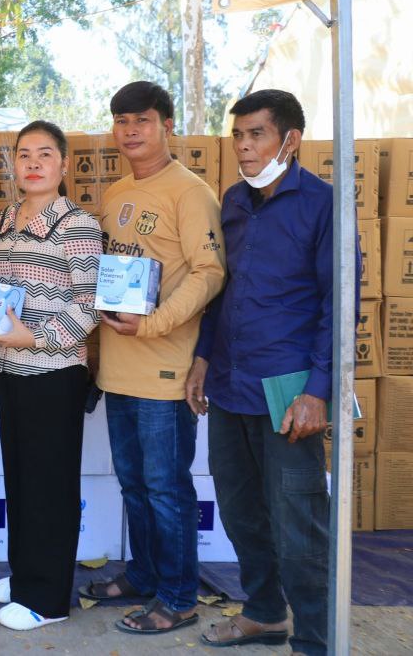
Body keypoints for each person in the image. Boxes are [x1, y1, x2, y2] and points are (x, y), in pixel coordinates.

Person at [188, 90, 349, 656]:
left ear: (291, 140)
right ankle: (264, 613)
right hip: (231, 384)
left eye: (256, 134)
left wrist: (318, 392)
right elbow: (222, 289)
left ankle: (315, 639)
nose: (243, 146)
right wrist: (203, 357)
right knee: (240, 511)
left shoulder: (324, 205)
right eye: (238, 135)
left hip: (289, 390)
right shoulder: (234, 201)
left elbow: (338, 306)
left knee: (298, 521)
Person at [80, 81, 225, 635]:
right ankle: (143, 576)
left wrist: (156, 323)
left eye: (141, 120)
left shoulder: (190, 193)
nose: (130, 131)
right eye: (121, 121)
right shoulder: (116, 192)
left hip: (166, 371)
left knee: (167, 490)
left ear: (167, 126)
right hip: (119, 370)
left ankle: (179, 598)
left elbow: (210, 274)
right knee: (135, 486)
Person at [0, 121, 102, 631]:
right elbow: (5, 293)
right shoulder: (6, 216)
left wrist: (35, 336)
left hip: (54, 371)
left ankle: (47, 600)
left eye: (45, 154)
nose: (33, 163)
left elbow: (89, 306)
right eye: (24, 154)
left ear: (64, 164)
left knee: (49, 484)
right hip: (10, 368)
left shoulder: (77, 224)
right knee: (21, 478)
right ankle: (26, 574)